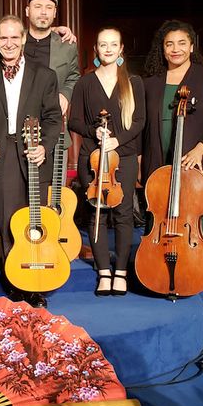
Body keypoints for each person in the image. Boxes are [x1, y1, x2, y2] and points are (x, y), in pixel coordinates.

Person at [0, 15, 61, 308]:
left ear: (23, 39)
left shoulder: (44, 75)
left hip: (34, 153)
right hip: (2, 154)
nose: (9, 43)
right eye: (3, 38)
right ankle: (16, 281)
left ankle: (37, 283)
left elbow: (52, 118)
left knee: (35, 218)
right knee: (10, 220)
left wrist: (45, 147)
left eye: (14, 37)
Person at [68, 27, 145, 296]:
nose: (109, 49)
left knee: (123, 214)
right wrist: (95, 131)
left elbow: (139, 121)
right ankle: (103, 272)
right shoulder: (84, 83)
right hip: (92, 156)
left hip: (122, 156)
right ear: (96, 49)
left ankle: (121, 271)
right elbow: (73, 120)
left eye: (114, 44)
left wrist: (117, 140)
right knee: (96, 213)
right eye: (103, 44)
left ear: (121, 48)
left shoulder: (133, 82)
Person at [141, 19, 203, 235]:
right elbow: (140, 123)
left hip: (194, 162)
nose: (175, 49)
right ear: (162, 49)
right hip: (156, 159)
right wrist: (138, 156)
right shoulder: (150, 82)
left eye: (181, 43)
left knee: (195, 226)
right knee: (159, 222)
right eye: (169, 44)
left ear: (191, 47)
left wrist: (200, 149)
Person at [24, 0, 80, 117]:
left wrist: (65, 94)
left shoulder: (67, 45)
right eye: (38, 7)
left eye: (49, 8)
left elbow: (73, 77)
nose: (43, 12)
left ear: (54, 13)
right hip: (17, 116)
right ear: (27, 11)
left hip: (51, 116)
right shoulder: (14, 41)